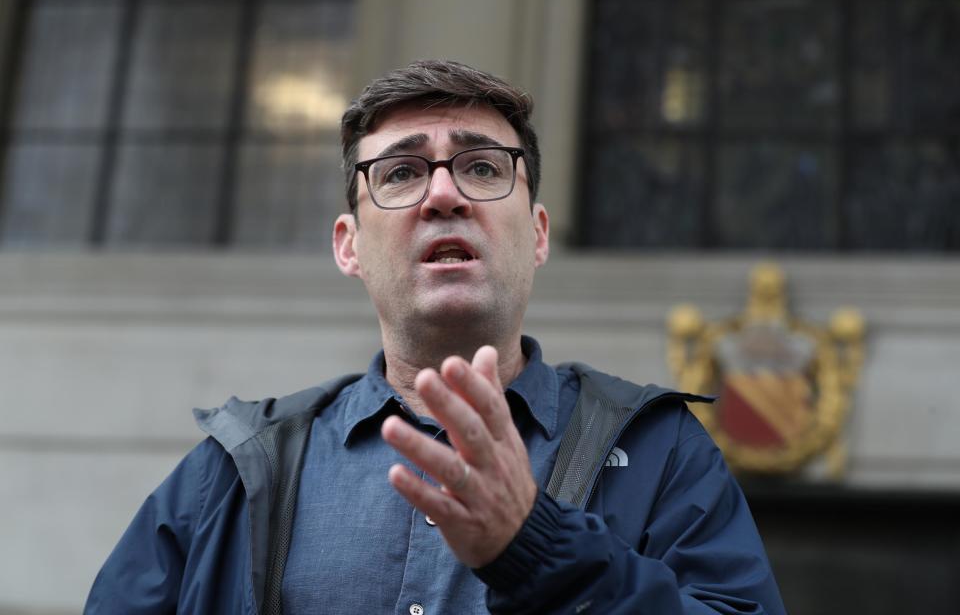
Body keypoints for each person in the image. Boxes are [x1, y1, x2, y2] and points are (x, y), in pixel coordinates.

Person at [85, 60, 786, 615]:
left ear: (537, 235)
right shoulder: (234, 472)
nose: (444, 193)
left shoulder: (659, 452)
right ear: (349, 245)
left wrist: (540, 551)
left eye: (482, 167)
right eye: (400, 172)